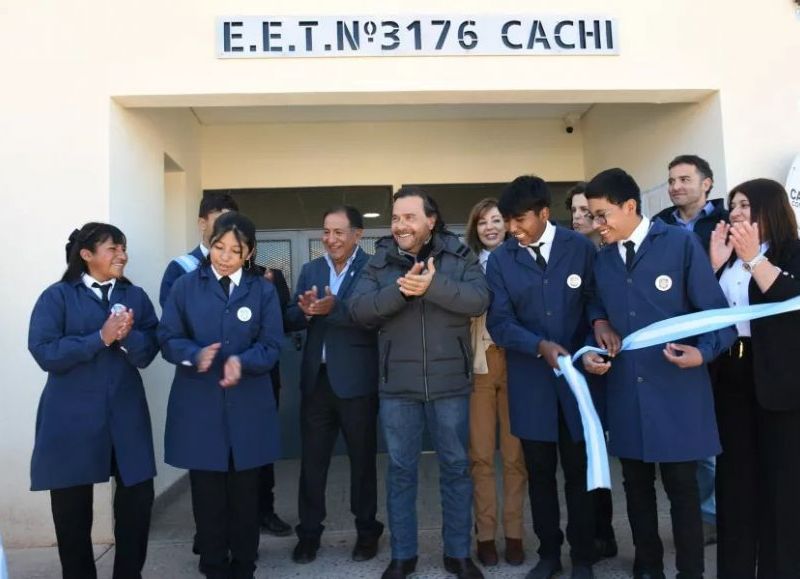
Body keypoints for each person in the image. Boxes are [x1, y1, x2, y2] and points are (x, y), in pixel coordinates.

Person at [581, 168, 735, 579]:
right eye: (592, 217)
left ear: (629, 207)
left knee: (683, 493)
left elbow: (720, 319)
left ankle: (690, 572)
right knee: (636, 489)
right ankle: (648, 567)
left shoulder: (680, 245)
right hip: (627, 393)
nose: (596, 226)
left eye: (601, 215)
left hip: (677, 392)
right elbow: (595, 303)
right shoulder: (603, 259)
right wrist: (599, 324)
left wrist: (702, 355)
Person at [349, 186, 490, 579]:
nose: (400, 225)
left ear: (431, 221)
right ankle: (404, 555)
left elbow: (479, 300)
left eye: (409, 217)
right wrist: (400, 292)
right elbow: (358, 311)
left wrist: (433, 286)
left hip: (450, 385)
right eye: (395, 218)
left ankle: (458, 554)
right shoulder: (380, 262)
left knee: (456, 469)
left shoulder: (459, 256)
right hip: (398, 387)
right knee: (400, 471)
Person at [486, 176, 610, 579]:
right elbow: (500, 321)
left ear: (544, 213)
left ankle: (584, 558)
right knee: (539, 474)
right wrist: (538, 345)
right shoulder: (503, 259)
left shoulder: (580, 248)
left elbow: (595, 300)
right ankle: (549, 554)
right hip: (532, 382)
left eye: (520, 219)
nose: (512, 229)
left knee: (578, 472)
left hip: (577, 383)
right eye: (508, 221)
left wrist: (595, 335)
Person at [28, 222, 159, 579]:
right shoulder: (57, 297)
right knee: (72, 509)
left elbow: (149, 352)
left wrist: (128, 338)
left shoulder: (136, 297)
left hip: (125, 413)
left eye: (123, 248)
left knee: (137, 498)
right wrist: (99, 338)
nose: (122, 255)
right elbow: (44, 352)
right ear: (86, 255)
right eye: (113, 248)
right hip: (71, 416)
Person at [158, 212, 284, 579]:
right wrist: (194, 354)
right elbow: (167, 339)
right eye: (219, 247)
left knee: (246, 493)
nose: (225, 256)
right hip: (200, 404)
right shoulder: (185, 286)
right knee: (208, 493)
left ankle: (244, 564)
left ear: (249, 253)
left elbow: (272, 344)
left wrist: (241, 363)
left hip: (248, 405)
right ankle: (213, 564)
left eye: (235, 250)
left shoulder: (262, 290)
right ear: (209, 244)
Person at [709, 179, 800, 578]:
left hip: (778, 380)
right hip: (730, 374)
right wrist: (714, 266)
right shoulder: (727, 257)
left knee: (782, 488)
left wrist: (752, 259)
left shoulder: (792, 251)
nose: (736, 212)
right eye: (733, 206)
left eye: (745, 204)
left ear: (769, 208)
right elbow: (709, 313)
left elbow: (789, 303)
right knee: (735, 486)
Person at [285, 205, 384, 564]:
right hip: (317, 383)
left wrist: (334, 308)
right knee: (312, 464)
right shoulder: (311, 269)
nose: (331, 239)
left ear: (358, 234)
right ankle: (309, 534)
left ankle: (367, 531)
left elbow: (375, 316)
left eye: (339, 232)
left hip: (357, 382)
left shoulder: (374, 267)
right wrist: (305, 311)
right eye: (326, 232)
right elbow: (291, 316)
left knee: (362, 463)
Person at [656, 154, 728, 545]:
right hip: (679, 344)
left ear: (707, 183)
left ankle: (721, 512)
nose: (676, 186)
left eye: (685, 178)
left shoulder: (727, 222)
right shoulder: (660, 225)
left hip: (719, 340)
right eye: (671, 180)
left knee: (720, 437)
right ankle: (704, 516)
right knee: (695, 440)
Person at [464, 198, 527, 568]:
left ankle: (515, 533)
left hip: (517, 363)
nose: (490, 227)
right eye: (483, 221)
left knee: (516, 456)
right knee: (481, 456)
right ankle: (485, 535)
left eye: (497, 220)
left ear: (508, 225)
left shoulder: (522, 259)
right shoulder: (466, 263)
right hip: (480, 363)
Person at [566, 182, 618, 560]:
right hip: (578, 366)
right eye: (576, 212)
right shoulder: (567, 257)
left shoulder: (613, 252)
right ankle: (597, 532)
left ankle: (609, 529)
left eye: (589, 211)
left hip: (617, 364)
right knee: (587, 453)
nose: (582, 218)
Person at [159, 192, 239, 308]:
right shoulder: (180, 267)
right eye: (220, 221)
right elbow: (172, 315)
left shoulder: (242, 266)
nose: (227, 228)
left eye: (231, 222)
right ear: (202, 223)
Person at [565, 183, 602, 247]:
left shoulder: (617, 251)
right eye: (573, 210)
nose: (576, 216)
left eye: (584, 209)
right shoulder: (566, 249)